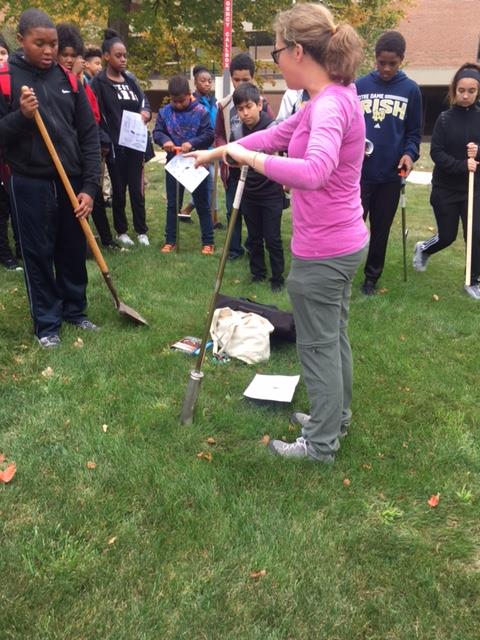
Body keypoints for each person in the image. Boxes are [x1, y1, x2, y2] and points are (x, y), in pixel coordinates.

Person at [188, 2, 368, 463]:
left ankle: (321, 445)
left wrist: (250, 161)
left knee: (318, 344)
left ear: (300, 51)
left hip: (325, 248)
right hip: (343, 240)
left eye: (277, 52)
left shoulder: (328, 105)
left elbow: (313, 171)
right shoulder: (328, 97)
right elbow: (276, 134)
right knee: (334, 335)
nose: (276, 61)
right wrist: (223, 151)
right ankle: (335, 417)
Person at [0, 8, 101, 347]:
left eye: (53, 44)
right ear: (21, 40)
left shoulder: (68, 79)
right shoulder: (5, 78)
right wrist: (21, 116)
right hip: (29, 180)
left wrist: (89, 186)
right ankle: (47, 324)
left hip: (70, 180)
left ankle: (75, 310)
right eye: (39, 43)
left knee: (72, 247)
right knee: (38, 251)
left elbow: (88, 134)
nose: (48, 51)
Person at [356, 31, 422, 295]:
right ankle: (343, 272)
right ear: (375, 58)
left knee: (381, 229)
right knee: (351, 225)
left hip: (391, 176)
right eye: (381, 62)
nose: (385, 68)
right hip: (358, 173)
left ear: (401, 60)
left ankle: (371, 277)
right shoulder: (359, 86)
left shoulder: (411, 90)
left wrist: (409, 154)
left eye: (392, 63)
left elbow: (414, 133)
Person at [413, 64, 480, 299]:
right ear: (454, 90)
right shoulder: (444, 119)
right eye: (461, 90)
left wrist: (477, 153)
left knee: (475, 233)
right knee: (447, 236)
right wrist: (463, 165)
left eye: (471, 91)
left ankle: (472, 281)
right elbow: (437, 154)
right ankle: (424, 248)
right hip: (446, 188)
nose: (465, 95)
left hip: (473, 189)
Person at [56, 23, 118, 250]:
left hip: (85, 155)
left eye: (75, 56)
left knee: (92, 197)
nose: (71, 61)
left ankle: (91, 243)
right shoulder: (55, 85)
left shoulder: (84, 85)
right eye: (66, 55)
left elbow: (92, 119)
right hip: (61, 162)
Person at [91, 29, 152, 247]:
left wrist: (145, 112)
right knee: (119, 190)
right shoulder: (98, 83)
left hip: (135, 144)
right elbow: (94, 115)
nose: (123, 59)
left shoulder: (131, 80)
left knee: (137, 189)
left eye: (125, 55)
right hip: (116, 148)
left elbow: (144, 102)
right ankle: (121, 231)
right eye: (118, 55)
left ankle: (141, 230)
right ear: (107, 56)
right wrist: (105, 140)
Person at [215, 52, 274, 260]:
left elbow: (271, 135)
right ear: (230, 78)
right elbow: (219, 134)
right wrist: (227, 150)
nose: (240, 83)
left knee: (252, 212)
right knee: (233, 209)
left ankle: (253, 246)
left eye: (245, 80)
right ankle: (234, 249)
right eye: (236, 79)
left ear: (253, 78)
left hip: (255, 169)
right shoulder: (222, 105)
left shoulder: (261, 103)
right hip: (232, 168)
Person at [231, 82, 285, 291]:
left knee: (272, 238)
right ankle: (257, 273)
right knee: (254, 238)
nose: (245, 113)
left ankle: (278, 278)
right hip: (249, 193)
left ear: (259, 105)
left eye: (249, 107)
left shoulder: (274, 129)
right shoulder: (236, 132)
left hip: (271, 192)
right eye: (240, 109)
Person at [152, 74, 214, 254]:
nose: (178, 104)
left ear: (189, 94)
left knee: (202, 203)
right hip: (174, 164)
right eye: (174, 101)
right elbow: (157, 132)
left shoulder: (201, 111)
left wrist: (193, 143)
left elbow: (209, 134)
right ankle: (170, 240)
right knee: (173, 204)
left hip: (197, 163)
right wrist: (164, 140)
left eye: (182, 101)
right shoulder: (165, 113)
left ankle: (208, 242)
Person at [179, 65, 222, 228]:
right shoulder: (192, 102)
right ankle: (213, 219)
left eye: (209, 81)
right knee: (209, 183)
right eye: (203, 81)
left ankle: (186, 210)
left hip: (214, 147)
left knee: (208, 183)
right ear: (195, 82)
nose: (207, 84)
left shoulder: (214, 101)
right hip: (199, 148)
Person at [0, 33, 22, 271]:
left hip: (14, 157)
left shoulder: (15, 83)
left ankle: (20, 248)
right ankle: (4, 253)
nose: (1, 59)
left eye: (3, 53)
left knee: (16, 205)